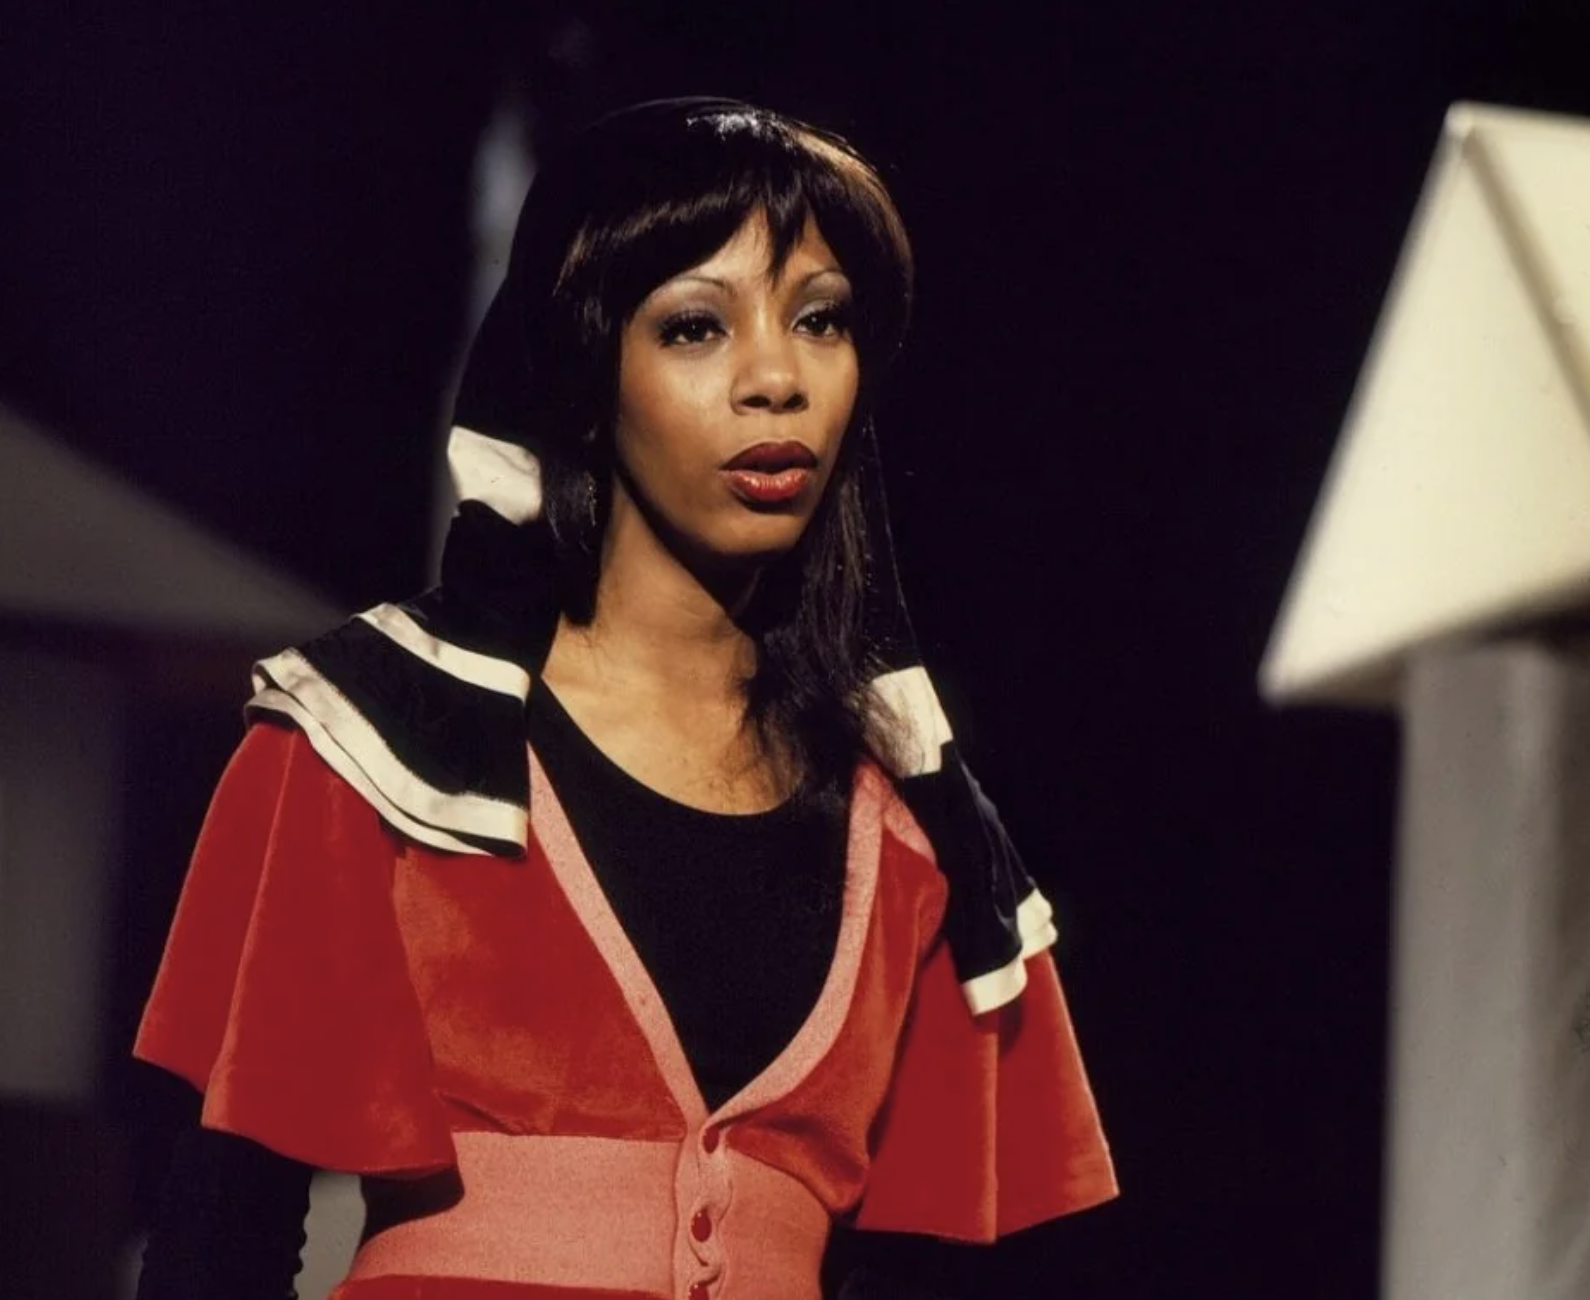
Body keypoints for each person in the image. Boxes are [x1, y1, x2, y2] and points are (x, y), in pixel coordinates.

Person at [132, 97, 1116, 1300]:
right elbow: (219, 1239)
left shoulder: (912, 830)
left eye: (820, 319)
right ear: (587, 372)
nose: (776, 379)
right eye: (696, 326)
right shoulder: (375, 748)